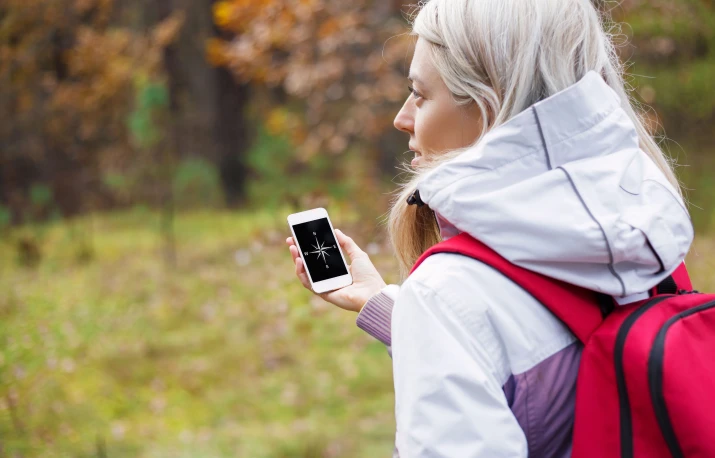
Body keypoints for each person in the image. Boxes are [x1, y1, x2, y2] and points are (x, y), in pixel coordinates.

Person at [286, 0, 694, 456]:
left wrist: (432, 313)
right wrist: (385, 304)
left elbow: (494, 332)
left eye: (419, 94)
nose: (402, 117)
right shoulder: (642, 226)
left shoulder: (446, 294)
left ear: (488, 105)